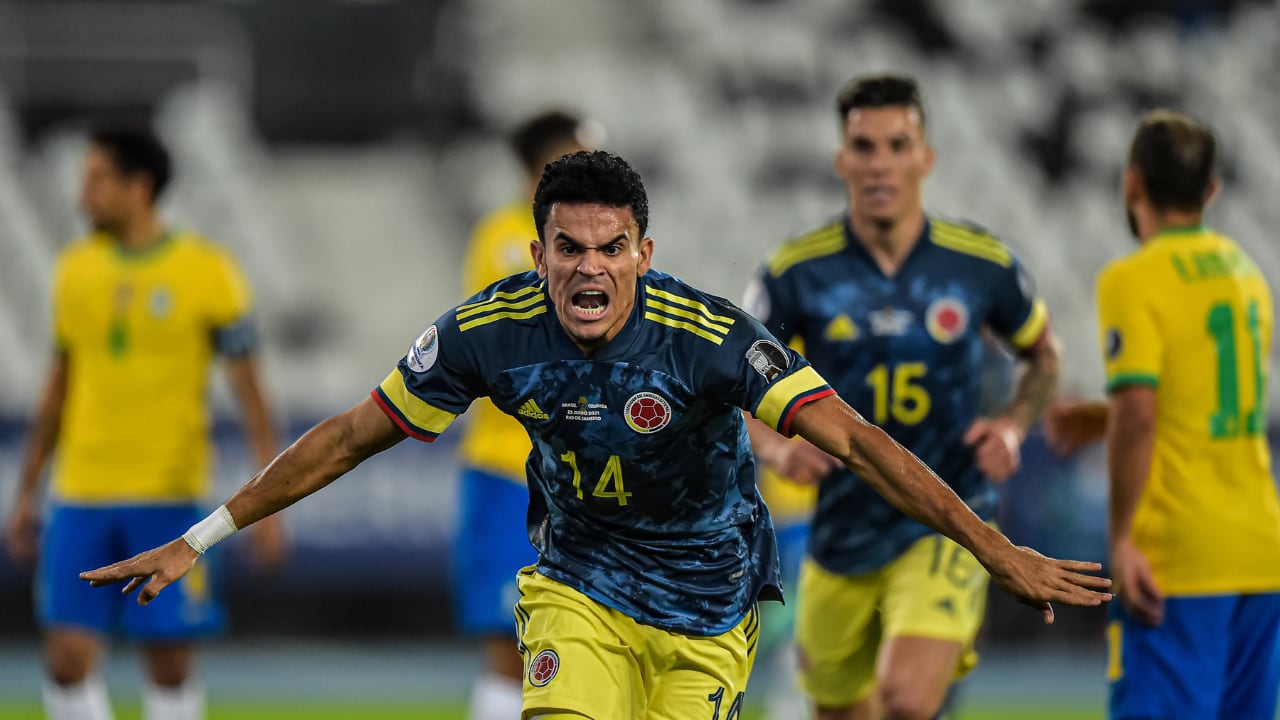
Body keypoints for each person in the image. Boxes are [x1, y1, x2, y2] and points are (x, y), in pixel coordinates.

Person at [81, 150, 1110, 720]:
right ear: (535, 253)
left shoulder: (708, 339)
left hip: (707, 609)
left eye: (609, 249)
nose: (586, 268)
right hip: (576, 583)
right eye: (565, 248)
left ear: (643, 252)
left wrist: (990, 545)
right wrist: (202, 535)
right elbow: (352, 436)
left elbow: (858, 443)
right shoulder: (486, 332)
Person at [743, 74, 1064, 720]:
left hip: (947, 520)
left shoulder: (981, 265)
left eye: (898, 144)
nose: (880, 163)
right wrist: (778, 452)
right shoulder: (794, 274)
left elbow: (1045, 358)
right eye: (864, 146)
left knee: (907, 700)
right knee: (839, 708)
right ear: (842, 160)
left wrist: (1010, 424)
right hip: (841, 530)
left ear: (926, 158)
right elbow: (734, 388)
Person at [5, 124, 285, 720]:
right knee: (65, 660)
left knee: (170, 661)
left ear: (139, 186)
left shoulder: (207, 272)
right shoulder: (74, 271)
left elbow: (251, 392)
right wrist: (28, 490)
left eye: (97, 180)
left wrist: (269, 506)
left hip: (169, 491)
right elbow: (57, 388)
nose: (84, 197)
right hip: (80, 491)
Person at [1044, 110, 1280, 720]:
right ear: (1212, 191)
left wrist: (1122, 538)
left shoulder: (1134, 278)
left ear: (1131, 184)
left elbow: (1144, 414)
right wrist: (1103, 417)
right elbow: (1202, 404)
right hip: (1258, 549)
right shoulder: (1247, 276)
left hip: (1180, 553)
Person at [454, 109, 599, 720]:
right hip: (510, 471)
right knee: (509, 644)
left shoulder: (588, 239)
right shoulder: (505, 240)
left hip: (579, 474)